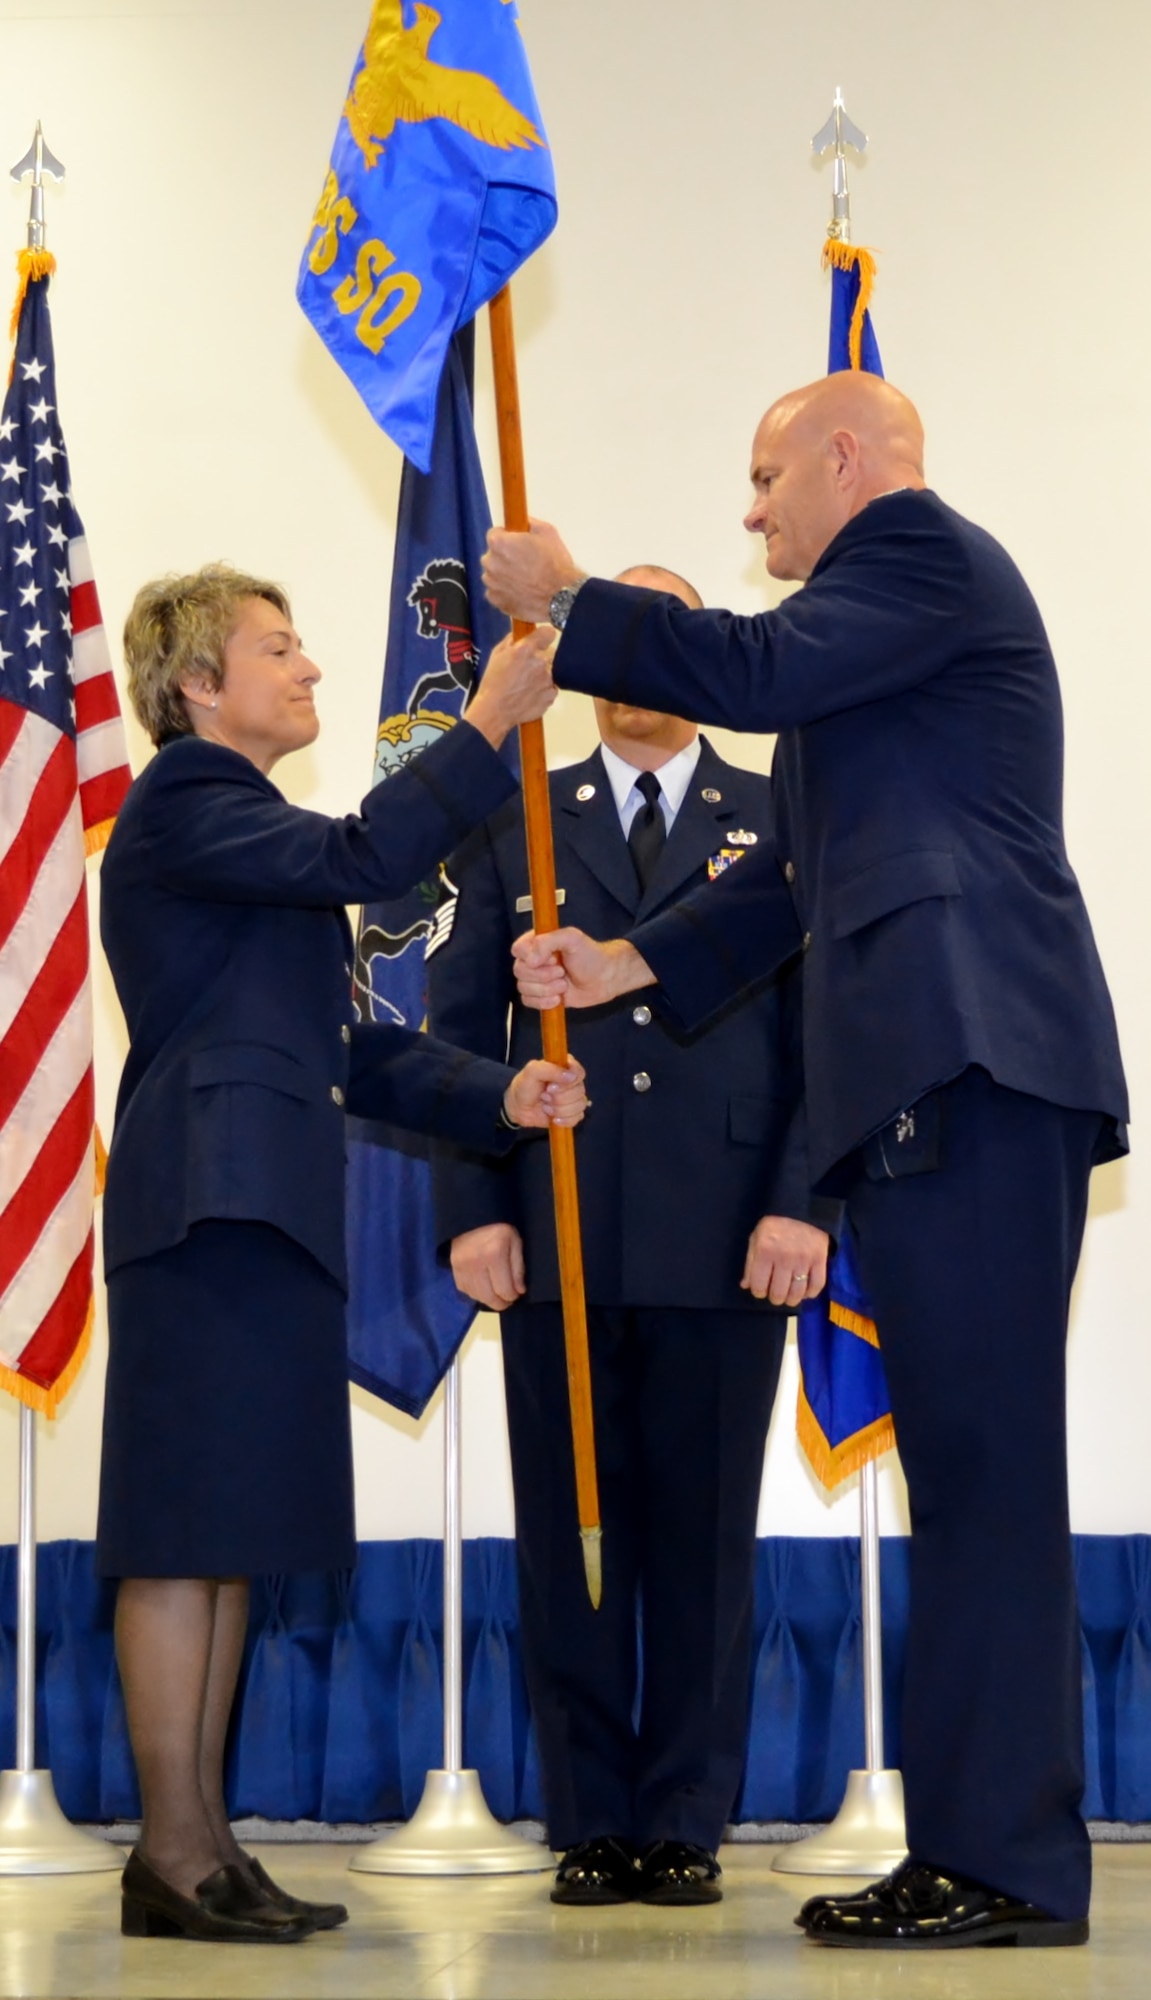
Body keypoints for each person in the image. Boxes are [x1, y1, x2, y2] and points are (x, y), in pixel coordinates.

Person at [481, 371, 1129, 1950]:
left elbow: (749, 671)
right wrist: (627, 969)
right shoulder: (880, 654)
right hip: (932, 1080)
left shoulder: (917, 555)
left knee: (986, 1488)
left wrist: (570, 598)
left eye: (768, 478)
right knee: (968, 1488)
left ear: (850, 461)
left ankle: (1008, 1865)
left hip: (971, 1064)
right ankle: (979, 1848)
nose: (754, 511)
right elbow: (785, 876)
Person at [96, 564, 586, 1944]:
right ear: (200, 688)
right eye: (279, 648)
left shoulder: (239, 830)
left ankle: (200, 1848)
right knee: (183, 1532)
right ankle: (174, 1855)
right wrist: (483, 720)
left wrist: (494, 1094)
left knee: (225, 1532)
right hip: (212, 1204)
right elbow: (369, 857)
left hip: (256, 1203)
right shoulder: (189, 798)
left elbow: (351, 1047)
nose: (310, 669)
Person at [428, 565, 830, 1908]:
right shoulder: (519, 819)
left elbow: (825, 1033)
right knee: (573, 1536)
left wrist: (802, 1199)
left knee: (707, 1545)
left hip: (730, 1232)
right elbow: (452, 1034)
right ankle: (593, 1817)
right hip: (558, 1232)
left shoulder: (781, 815)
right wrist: (473, 1209)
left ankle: (687, 1821)